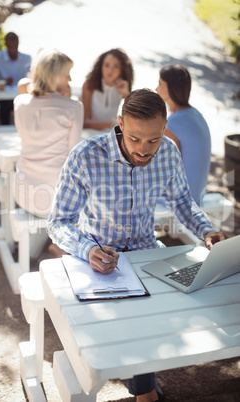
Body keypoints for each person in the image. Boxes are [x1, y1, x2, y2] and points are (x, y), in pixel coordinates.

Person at [47, 88, 226, 401]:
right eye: (134, 139)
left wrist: (207, 231)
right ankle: (144, 390)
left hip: (148, 254)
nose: (144, 150)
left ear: (164, 126)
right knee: (132, 319)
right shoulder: (86, 156)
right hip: (97, 259)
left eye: (153, 139)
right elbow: (59, 222)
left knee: (204, 295)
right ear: (119, 123)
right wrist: (88, 249)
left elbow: (182, 201)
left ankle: (142, 380)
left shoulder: (168, 151)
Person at [13, 48, 83, 221]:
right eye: (67, 73)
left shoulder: (19, 103)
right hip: (54, 198)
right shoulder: (74, 107)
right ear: (54, 75)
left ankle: (54, 243)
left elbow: (25, 88)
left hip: (22, 192)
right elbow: (72, 157)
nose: (70, 79)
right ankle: (57, 244)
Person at [156, 64, 211, 205]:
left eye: (160, 84)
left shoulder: (173, 124)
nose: (157, 89)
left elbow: (164, 169)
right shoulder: (196, 114)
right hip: (197, 194)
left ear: (172, 89)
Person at [0, 32, 31, 124]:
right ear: (6, 44)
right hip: (5, 99)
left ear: (18, 43)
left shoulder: (27, 59)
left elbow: (35, 76)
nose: (13, 49)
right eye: (10, 46)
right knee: (6, 105)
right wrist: (2, 82)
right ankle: (5, 127)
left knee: (28, 107)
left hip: (22, 96)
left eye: (14, 46)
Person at [82, 48, 134, 131]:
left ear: (122, 69)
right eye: (107, 65)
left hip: (111, 136)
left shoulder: (122, 87)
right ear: (101, 66)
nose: (110, 70)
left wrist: (126, 93)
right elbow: (84, 123)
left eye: (116, 66)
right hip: (90, 134)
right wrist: (111, 124)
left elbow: (136, 116)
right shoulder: (89, 85)